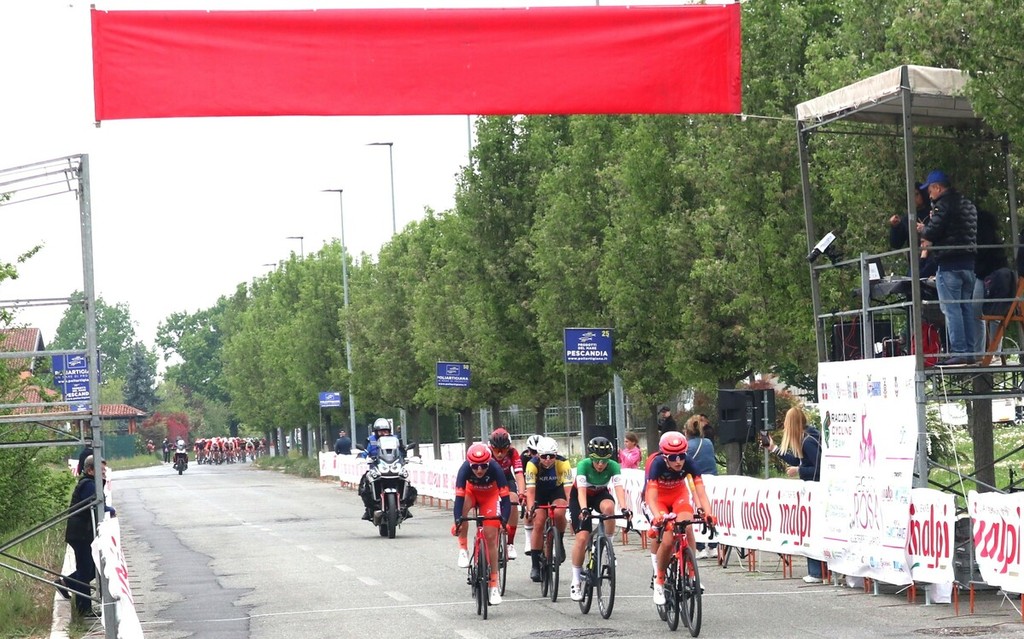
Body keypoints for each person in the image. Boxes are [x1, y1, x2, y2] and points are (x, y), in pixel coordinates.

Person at [645, 431, 715, 605]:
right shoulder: (656, 464)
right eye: (673, 457)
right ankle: (659, 580)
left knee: (687, 526)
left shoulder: (690, 463)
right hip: (659, 499)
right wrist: (657, 516)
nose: (678, 461)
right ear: (665, 456)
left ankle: (692, 574)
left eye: (681, 456)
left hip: (678, 496)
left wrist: (709, 513)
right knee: (668, 540)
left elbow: (701, 492)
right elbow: (651, 497)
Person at [917, 170, 978, 365]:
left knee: (951, 309)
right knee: (966, 308)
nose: (929, 195)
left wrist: (923, 229)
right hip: (969, 264)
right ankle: (970, 352)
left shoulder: (943, 205)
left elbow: (932, 232)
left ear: (937, 187)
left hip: (949, 264)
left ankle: (959, 351)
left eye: (930, 191)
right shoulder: (968, 204)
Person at [759, 407, 823, 583]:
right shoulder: (808, 438)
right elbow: (798, 459)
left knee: (812, 530)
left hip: (815, 490)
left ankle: (816, 572)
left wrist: (799, 470)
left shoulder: (807, 441)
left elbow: (818, 467)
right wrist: (774, 449)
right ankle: (817, 571)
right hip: (813, 489)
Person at [568, 436, 631, 602]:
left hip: (599, 494)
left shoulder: (614, 466)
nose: (601, 464)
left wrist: (624, 508)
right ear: (591, 458)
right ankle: (576, 580)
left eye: (604, 461)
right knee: (582, 538)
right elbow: (581, 491)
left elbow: (619, 488)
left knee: (609, 508)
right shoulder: (583, 465)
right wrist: (583, 509)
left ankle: (608, 545)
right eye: (597, 461)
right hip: (580, 497)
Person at [452, 443, 511, 606]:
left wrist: (504, 521)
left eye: (483, 466)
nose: (479, 470)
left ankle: (493, 585)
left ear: (489, 463)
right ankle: (463, 549)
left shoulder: (496, 469)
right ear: (469, 464)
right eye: (475, 466)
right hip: (471, 493)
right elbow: (458, 499)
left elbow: (505, 500)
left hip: (489, 497)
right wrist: (458, 521)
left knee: (491, 537)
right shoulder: (464, 469)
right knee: (463, 511)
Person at [56, 454, 114, 618]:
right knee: (86, 570)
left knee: (90, 569)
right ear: (90, 470)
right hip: (80, 533)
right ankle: (83, 609)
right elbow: (95, 504)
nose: (104, 473)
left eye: (104, 471)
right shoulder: (88, 485)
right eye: (101, 470)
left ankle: (65, 583)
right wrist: (110, 510)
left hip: (82, 532)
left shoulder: (90, 483)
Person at [523, 436, 572, 582]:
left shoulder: (563, 463)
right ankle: (535, 565)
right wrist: (530, 509)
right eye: (544, 456)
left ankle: (559, 541)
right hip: (538, 492)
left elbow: (568, 490)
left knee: (559, 512)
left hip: (556, 491)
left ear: (556, 454)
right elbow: (530, 491)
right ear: (538, 455)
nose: (548, 460)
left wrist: (572, 507)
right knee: (538, 522)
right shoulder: (532, 465)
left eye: (551, 456)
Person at [684, 416, 718, 560]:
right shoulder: (708, 443)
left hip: (696, 482)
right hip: (712, 480)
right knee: (710, 512)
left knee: (696, 512)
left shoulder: (687, 446)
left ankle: (700, 547)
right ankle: (713, 545)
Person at [488, 427, 525, 560]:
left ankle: (510, 543)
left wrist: (522, 493)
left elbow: (519, 474)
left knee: (513, 500)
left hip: (506, 478)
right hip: (491, 480)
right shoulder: (487, 452)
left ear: (508, 447)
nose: (499, 454)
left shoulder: (513, 453)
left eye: (503, 450)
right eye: (496, 450)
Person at [887, 181, 937, 278]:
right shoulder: (907, 218)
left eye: (916, 194)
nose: (913, 198)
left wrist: (925, 229)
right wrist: (895, 227)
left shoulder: (933, 214)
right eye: (911, 195)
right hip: (916, 264)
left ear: (923, 195)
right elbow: (896, 244)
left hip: (934, 262)